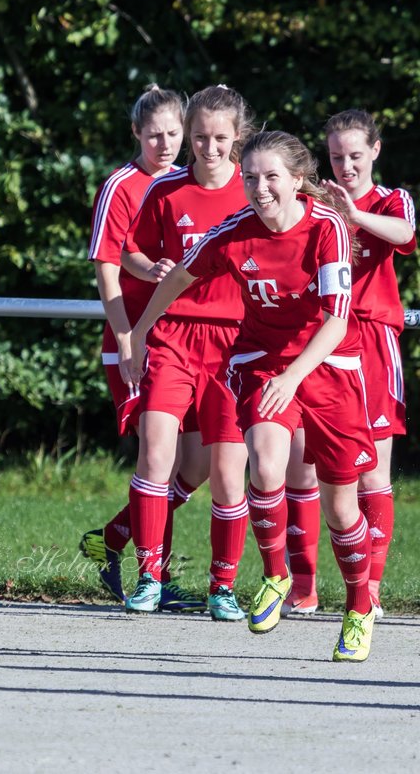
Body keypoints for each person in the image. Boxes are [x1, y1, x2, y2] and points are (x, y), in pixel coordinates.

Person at [132, 130, 380, 661]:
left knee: (341, 508)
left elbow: (337, 322)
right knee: (266, 468)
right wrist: (140, 328)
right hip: (261, 362)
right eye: (251, 177)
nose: (260, 188)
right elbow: (179, 275)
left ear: (296, 180)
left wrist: (294, 377)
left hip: (327, 365)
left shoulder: (327, 228)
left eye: (271, 177)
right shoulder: (234, 232)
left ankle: (358, 608)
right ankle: (274, 575)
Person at [118, 85, 253, 621]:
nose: (210, 148)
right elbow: (130, 250)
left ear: (238, 138)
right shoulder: (166, 191)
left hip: (236, 346)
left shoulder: (256, 191)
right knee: (155, 453)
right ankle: (149, 574)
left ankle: (223, 586)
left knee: (226, 472)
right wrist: (146, 275)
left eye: (221, 138)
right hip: (172, 336)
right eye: (200, 137)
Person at [279, 110, 414, 619]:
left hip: (373, 339)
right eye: (337, 157)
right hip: (315, 340)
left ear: (375, 151)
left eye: (356, 154)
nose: (347, 164)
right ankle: (303, 586)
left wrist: (354, 216)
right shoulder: (314, 201)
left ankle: (370, 588)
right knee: (300, 461)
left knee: (372, 473)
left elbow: (403, 233)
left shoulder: (390, 199)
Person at [78, 85, 209, 612]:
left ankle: (112, 536)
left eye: (174, 133)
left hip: (193, 341)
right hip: (138, 339)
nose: (165, 143)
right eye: (154, 133)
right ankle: (153, 577)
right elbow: (109, 267)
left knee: (197, 465)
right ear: (136, 133)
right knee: (160, 459)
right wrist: (128, 336)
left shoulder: (190, 181)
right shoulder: (121, 185)